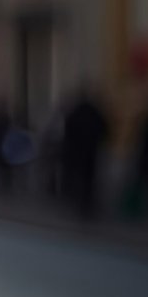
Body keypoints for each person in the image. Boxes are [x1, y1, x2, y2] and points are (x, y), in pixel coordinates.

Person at [60, 89, 109, 220]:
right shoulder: (95, 112)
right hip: (91, 152)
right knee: (90, 179)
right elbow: (104, 129)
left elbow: (68, 132)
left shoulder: (75, 113)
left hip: (77, 153)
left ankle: (80, 204)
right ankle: (89, 203)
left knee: (78, 178)